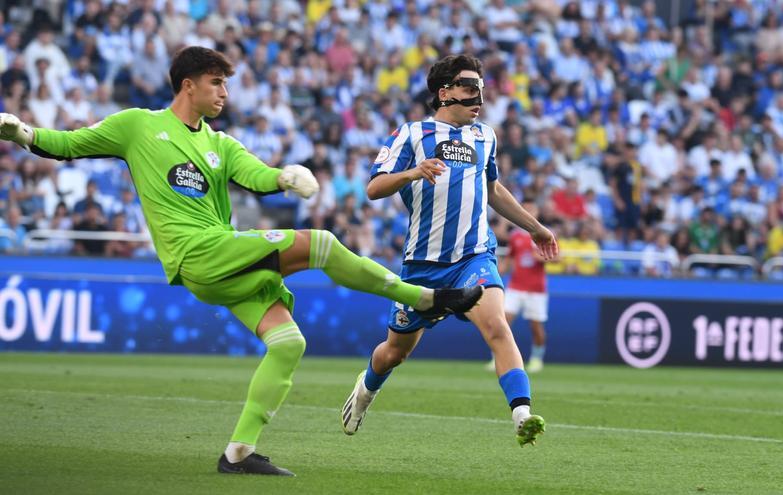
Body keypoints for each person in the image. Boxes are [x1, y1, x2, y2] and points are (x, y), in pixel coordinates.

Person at [0, 46, 483, 476]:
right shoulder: (138, 126)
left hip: (223, 262)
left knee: (289, 344)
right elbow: (68, 145)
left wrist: (285, 178)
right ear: (188, 85)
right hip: (198, 253)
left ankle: (237, 454)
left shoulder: (219, 143)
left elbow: (255, 173)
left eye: (226, 83)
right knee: (321, 243)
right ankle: (425, 296)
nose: (225, 92)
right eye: (217, 82)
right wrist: (22, 133)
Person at [340, 55, 558, 447]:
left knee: (497, 325)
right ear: (444, 92)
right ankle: (365, 392)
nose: (479, 97)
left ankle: (522, 413)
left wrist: (535, 226)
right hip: (422, 266)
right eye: (469, 87)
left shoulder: (485, 137)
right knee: (394, 353)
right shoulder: (411, 133)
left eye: (481, 89)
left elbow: (492, 190)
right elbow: (373, 189)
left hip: (473, 257)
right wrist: (412, 172)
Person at [490, 198, 550, 373]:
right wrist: (497, 273)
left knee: (536, 326)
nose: (530, 213)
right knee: (503, 323)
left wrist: (542, 257)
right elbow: (509, 258)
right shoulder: (516, 236)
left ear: (537, 212)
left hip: (537, 289)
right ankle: (497, 358)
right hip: (516, 286)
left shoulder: (543, 234)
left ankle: (537, 359)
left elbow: (556, 255)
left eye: (532, 209)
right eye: (526, 209)